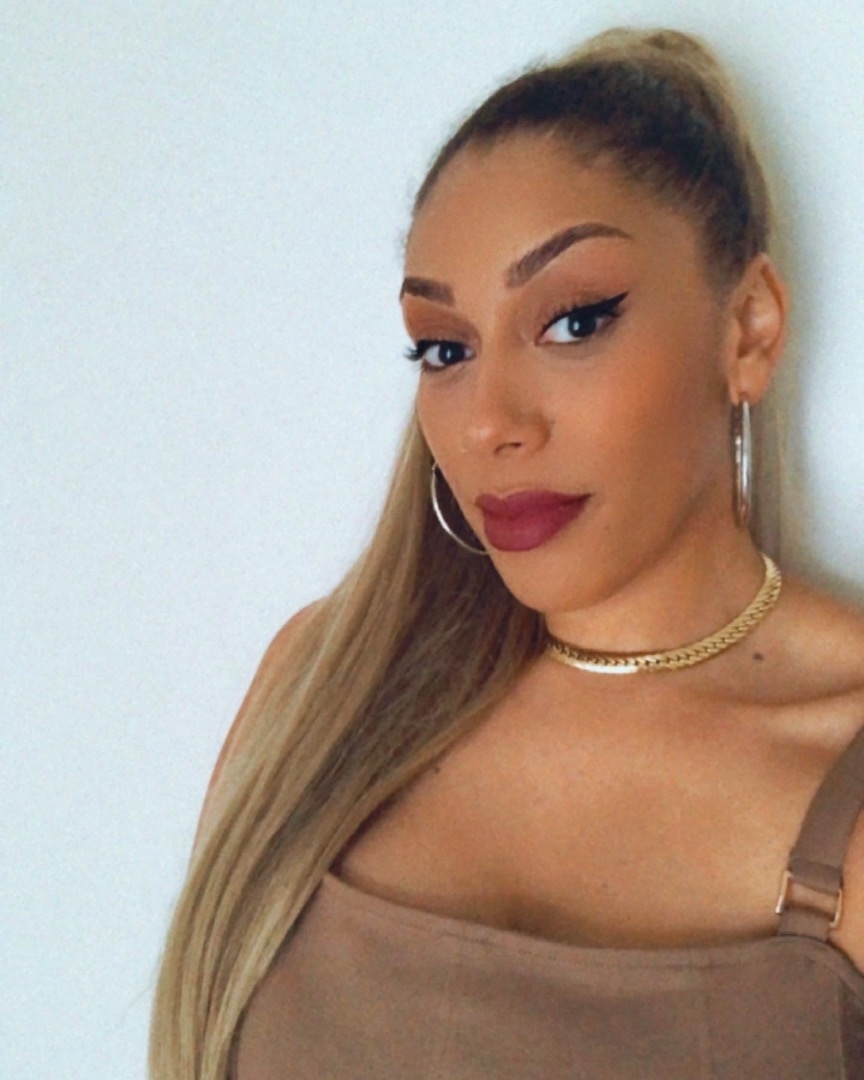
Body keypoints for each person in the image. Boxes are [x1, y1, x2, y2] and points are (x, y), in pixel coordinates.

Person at [150, 27, 864, 1080]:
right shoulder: (322, 692)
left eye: (573, 323)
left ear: (748, 329)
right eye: (445, 348)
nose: (490, 423)